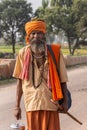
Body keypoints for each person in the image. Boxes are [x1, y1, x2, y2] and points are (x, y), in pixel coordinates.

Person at [13, 18, 68, 130]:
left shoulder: (55, 52)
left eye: (39, 33)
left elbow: (63, 79)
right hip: (32, 103)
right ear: (28, 36)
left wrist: (66, 102)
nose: (36, 36)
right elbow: (19, 82)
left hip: (51, 103)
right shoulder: (22, 53)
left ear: (44, 35)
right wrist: (17, 106)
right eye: (33, 33)